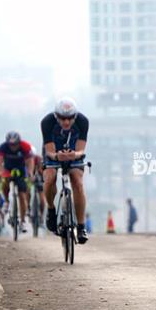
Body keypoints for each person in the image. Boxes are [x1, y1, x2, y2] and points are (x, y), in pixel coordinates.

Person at [41, 97, 89, 244]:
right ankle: (50, 209)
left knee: (78, 182)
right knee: (50, 178)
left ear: (75, 116)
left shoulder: (83, 121)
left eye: (69, 118)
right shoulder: (47, 122)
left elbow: (81, 150)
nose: (66, 122)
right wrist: (57, 156)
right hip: (53, 153)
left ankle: (81, 226)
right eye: (62, 118)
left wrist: (74, 155)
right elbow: (49, 151)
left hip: (74, 153)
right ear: (56, 116)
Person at [0, 131, 34, 233]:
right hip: (7, 169)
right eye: (11, 145)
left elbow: (30, 161)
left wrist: (30, 173)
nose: (13, 147)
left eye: (15, 144)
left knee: (22, 195)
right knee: (4, 181)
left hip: (21, 170)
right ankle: (7, 201)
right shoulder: (3, 147)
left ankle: (22, 221)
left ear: (19, 142)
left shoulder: (25, 146)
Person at [27, 145, 46, 227]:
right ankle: (28, 208)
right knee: (27, 192)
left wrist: (41, 175)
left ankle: (41, 215)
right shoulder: (25, 159)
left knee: (42, 200)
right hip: (29, 177)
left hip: (38, 178)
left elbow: (42, 171)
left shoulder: (38, 159)